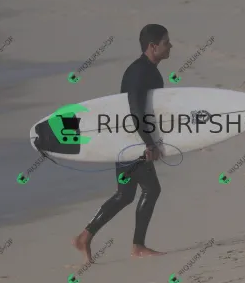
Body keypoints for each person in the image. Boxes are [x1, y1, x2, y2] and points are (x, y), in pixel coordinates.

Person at [72, 24, 173, 263]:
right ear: (153, 46)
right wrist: (148, 143)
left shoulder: (147, 70)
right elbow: (135, 110)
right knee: (151, 189)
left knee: (124, 194)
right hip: (132, 141)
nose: (170, 46)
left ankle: (84, 237)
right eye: (166, 42)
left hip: (127, 139)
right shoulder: (140, 72)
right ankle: (138, 246)